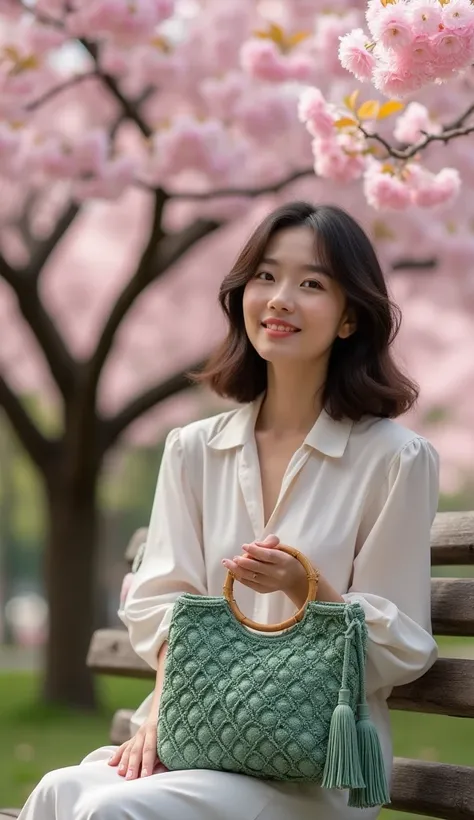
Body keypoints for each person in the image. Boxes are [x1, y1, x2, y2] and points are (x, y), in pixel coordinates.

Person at [19, 201, 439, 820]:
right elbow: (163, 602)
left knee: (114, 813)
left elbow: (402, 642)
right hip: (190, 738)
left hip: (307, 769)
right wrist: (161, 716)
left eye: (311, 284)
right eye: (265, 277)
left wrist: (310, 590)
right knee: (61, 790)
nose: (279, 299)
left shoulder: (396, 460)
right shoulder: (194, 449)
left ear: (350, 318)